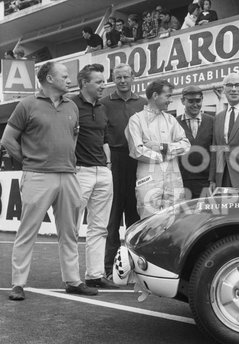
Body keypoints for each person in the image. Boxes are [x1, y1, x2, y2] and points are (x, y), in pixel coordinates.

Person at [1, 62, 98, 300]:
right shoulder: (27, 105)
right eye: (64, 76)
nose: (69, 80)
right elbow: (8, 139)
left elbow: (73, 137)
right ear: (49, 79)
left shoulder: (72, 107)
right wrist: (29, 161)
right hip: (38, 175)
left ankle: (73, 281)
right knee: (28, 230)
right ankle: (18, 284)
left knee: (70, 231)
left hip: (68, 174)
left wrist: (66, 160)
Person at [71, 64, 117, 289]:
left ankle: (95, 275)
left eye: (103, 81)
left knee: (100, 227)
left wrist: (107, 165)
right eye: (98, 82)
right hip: (79, 172)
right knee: (71, 225)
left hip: (102, 171)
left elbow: (105, 138)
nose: (103, 85)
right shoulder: (70, 105)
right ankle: (72, 278)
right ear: (84, 83)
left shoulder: (101, 107)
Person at [100, 63, 147, 279]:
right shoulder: (104, 103)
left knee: (135, 218)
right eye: (118, 77)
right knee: (112, 217)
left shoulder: (143, 103)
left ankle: (135, 269)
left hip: (137, 161)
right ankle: (109, 268)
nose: (122, 81)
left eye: (126, 77)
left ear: (133, 78)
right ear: (113, 80)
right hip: (115, 161)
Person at [125, 79, 190, 218]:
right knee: (149, 224)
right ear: (155, 95)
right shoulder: (136, 120)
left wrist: (162, 148)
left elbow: (185, 144)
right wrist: (162, 156)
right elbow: (137, 150)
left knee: (175, 221)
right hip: (149, 180)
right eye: (167, 96)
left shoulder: (171, 120)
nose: (170, 100)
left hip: (173, 179)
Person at [176, 85, 213, 199]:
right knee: (185, 215)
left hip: (206, 182)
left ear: (202, 100)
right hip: (182, 182)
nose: (195, 104)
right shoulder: (174, 123)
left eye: (198, 100)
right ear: (183, 101)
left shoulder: (212, 121)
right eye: (190, 101)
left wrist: (213, 180)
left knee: (206, 215)